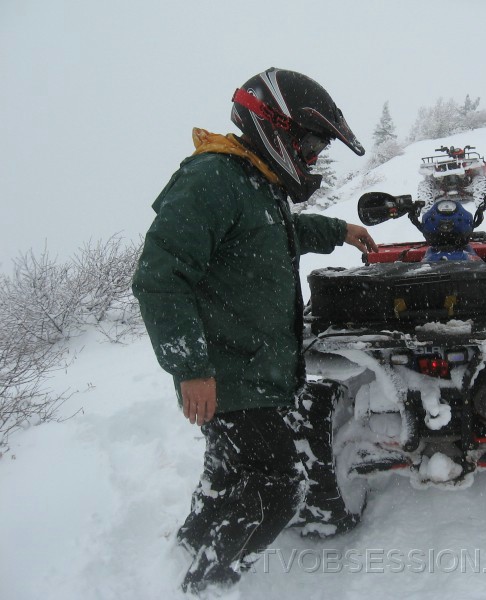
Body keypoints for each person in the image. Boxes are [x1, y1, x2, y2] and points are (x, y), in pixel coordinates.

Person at [131, 67, 377, 593]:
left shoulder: (253, 182)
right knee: (278, 487)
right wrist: (191, 369)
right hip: (229, 375)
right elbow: (158, 277)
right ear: (275, 125)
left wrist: (342, 231)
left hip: (251, 371)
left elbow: (280, 234)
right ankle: (210, 582)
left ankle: (188, 549)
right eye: (310, 142)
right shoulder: (213, 179)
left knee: (228, 474)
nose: (313, 156)